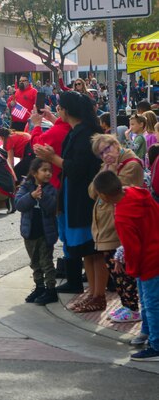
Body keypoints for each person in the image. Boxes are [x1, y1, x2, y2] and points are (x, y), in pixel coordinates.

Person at [36, 91, 102, 297]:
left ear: (67, 110)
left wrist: (51, 157)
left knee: (91, 250)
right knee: (86, 252)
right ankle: (92, 294)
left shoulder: (84, 134)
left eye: (60, 107)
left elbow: (77, 168)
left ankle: (96, 295)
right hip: (73, 195)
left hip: (83, 198)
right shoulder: (78, 131)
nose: (58, 110)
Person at [92, 171, 159, 361]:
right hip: (154, 252)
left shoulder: (123, 216)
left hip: (148, 261)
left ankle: (156, 345)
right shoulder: (137, 192)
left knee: (152, 303)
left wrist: (131, 269)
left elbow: (133, 249)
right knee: (148, 301)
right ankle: (147, 332)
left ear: (103, 195)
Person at [88, 133, 144, 320]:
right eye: (101, 153)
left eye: (107, 148)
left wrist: (108, 173)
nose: (106, 155)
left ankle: (132, 308)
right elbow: (92, 192)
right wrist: (105, 171)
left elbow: (113, 189)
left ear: (116, 144)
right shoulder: (107, 167)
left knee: (124, 273)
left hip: (119, 229)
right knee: (115, 273)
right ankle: (126, 305)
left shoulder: (131, 164)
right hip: (105, 228)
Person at [15, 158, 58, 305]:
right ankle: (39, 287)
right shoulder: (26, 187)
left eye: (50, 171)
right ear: (34, 173)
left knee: (46, 262)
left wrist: (43, 196)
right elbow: (19, 204)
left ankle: (51, 290)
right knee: (35, 262)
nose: (48, 173)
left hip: (46, 233)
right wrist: (32, 196)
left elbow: (53, 207)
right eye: (44, 170)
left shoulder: (51, 189)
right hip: (30, 232)